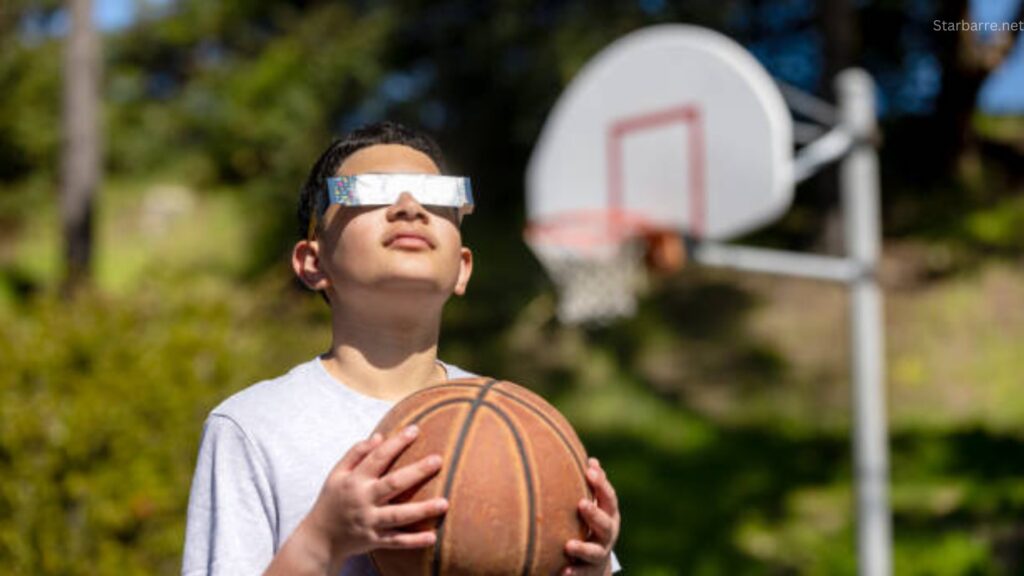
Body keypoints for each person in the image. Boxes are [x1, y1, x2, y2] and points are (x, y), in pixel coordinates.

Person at [181, 121, 621, 576]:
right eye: (370, 192)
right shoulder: (253, 426)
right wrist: (320, 542)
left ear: (462, 268)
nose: (409, 208)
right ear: (313, 262)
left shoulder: (525, 426)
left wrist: (595, 567)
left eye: (437, 198)